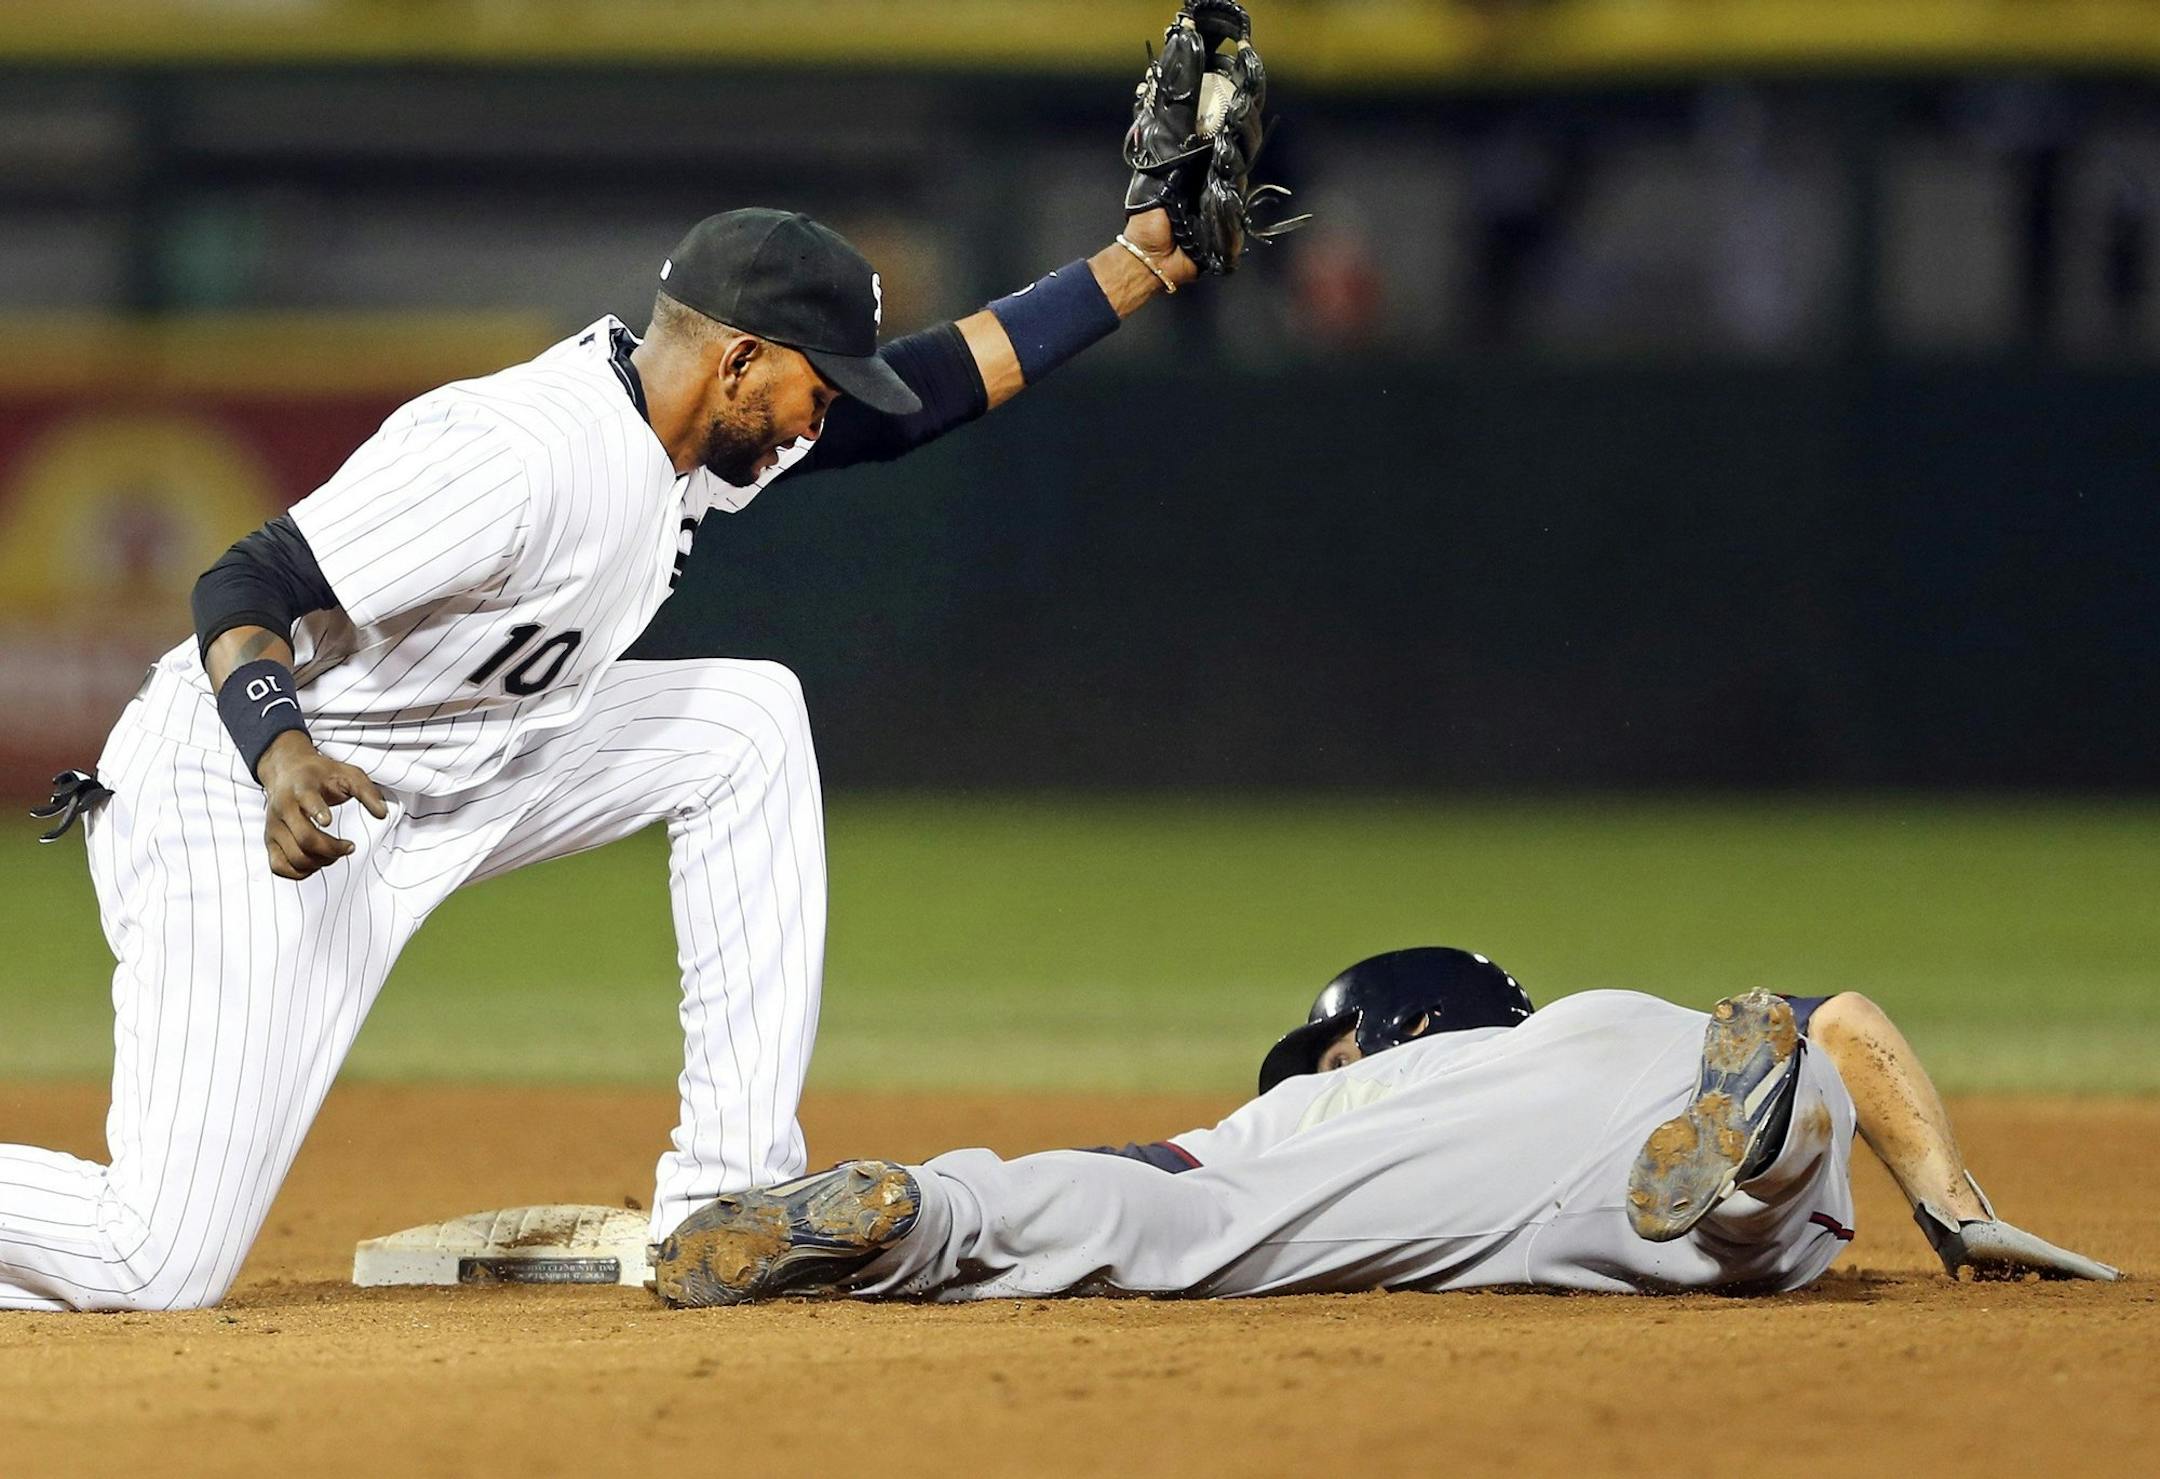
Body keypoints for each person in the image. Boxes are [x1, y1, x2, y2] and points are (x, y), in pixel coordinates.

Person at [3, 202, 1213, 1313]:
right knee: (156, 1258)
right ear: (736, 357)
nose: (824, 415)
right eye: (817, 387)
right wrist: (276, 747)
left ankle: (726, 1204)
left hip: (447, 777)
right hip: (253, 797)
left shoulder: (693, 433)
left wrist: (1140, 265)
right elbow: (244, 580)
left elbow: (927, 395)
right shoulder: (523, 455)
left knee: (743, 725)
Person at [651, 947, 2121, 1306]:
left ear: (1398, 1012)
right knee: (1770, 1179)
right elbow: (1852, 1015)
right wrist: (1951, 1201)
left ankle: (926, 1207)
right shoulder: (1583, 1016)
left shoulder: (1316, 1091)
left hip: (1417, 1175)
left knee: (1169, 1220)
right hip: (1635, 1064)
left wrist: (955, 1200)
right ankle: (1743, 1125)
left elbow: (1146, 1180)